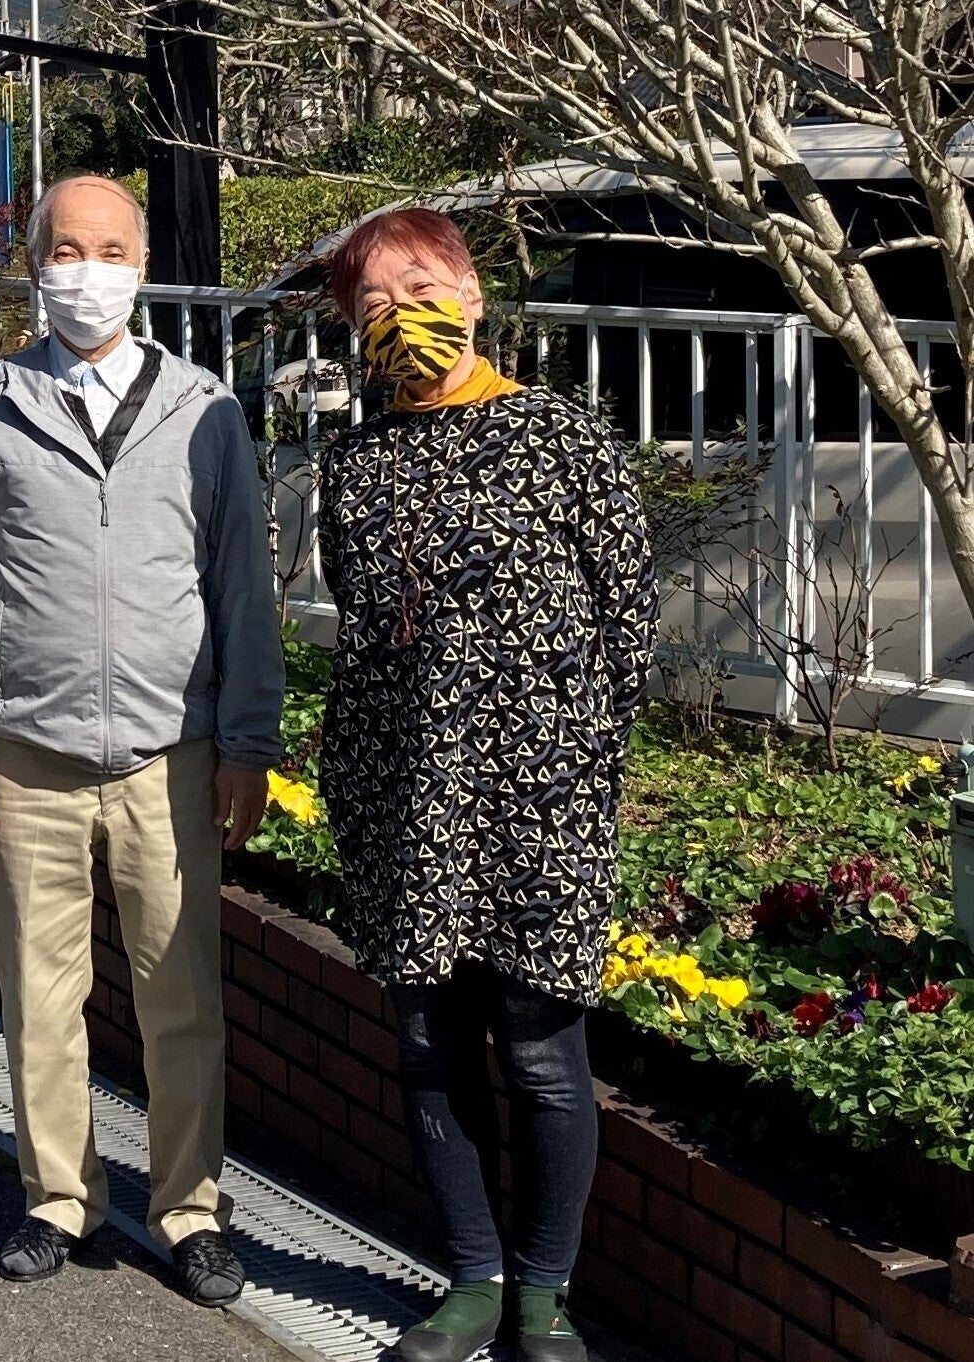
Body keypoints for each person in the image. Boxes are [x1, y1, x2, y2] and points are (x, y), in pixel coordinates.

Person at [0, 175, 285, 1307]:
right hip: (28, 755)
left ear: (142, 264)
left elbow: (242, 585)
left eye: (111, 250)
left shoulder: (205, 410)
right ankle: (57, 1198)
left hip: (171, 755)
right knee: (40, 996)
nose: (88, 271)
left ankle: (190, 1210)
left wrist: (248, 739)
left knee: (182, 1000)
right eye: (66, 251)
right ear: (35, 265)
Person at [316, 208, 658, 1362]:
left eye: (419, 287)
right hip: (401, 791)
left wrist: (572, 762)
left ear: (469, 292)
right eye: (373, 302)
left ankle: (543, 1294)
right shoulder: (354, 463)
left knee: (541, 1052)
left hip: (541, 796)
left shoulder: (561, 436)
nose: (400, 313)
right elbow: (364, 621)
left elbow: (627, 620)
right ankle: (471, 1279)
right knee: (430, 1045)